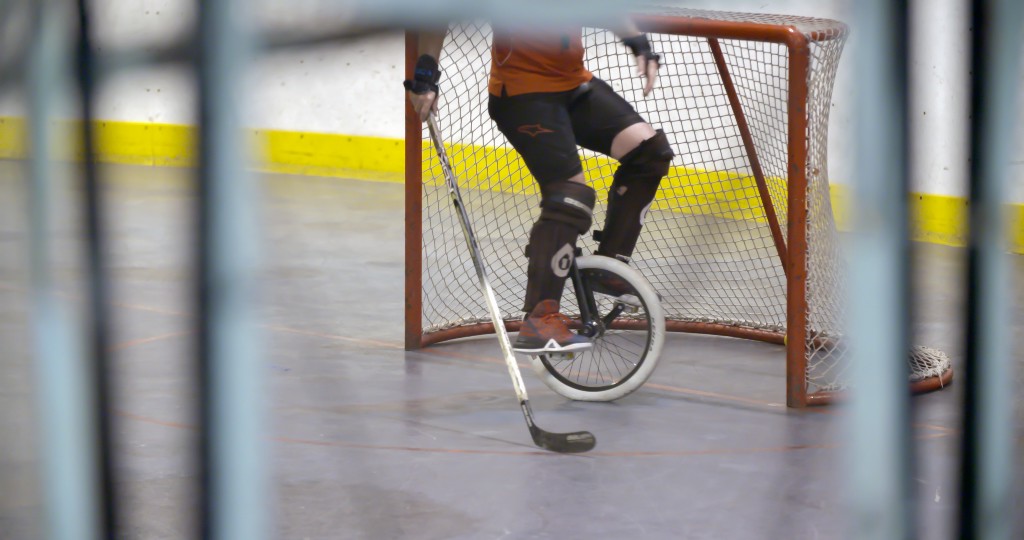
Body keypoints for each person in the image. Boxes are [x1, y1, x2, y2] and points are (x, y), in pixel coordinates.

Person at [405, 22, 674, 355]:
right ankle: (540, 319)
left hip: (573, 85)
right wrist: (426, 73)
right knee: (572, 197)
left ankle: (608, 269)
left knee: (649, 153)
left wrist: (639, 43)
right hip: (522, 96)